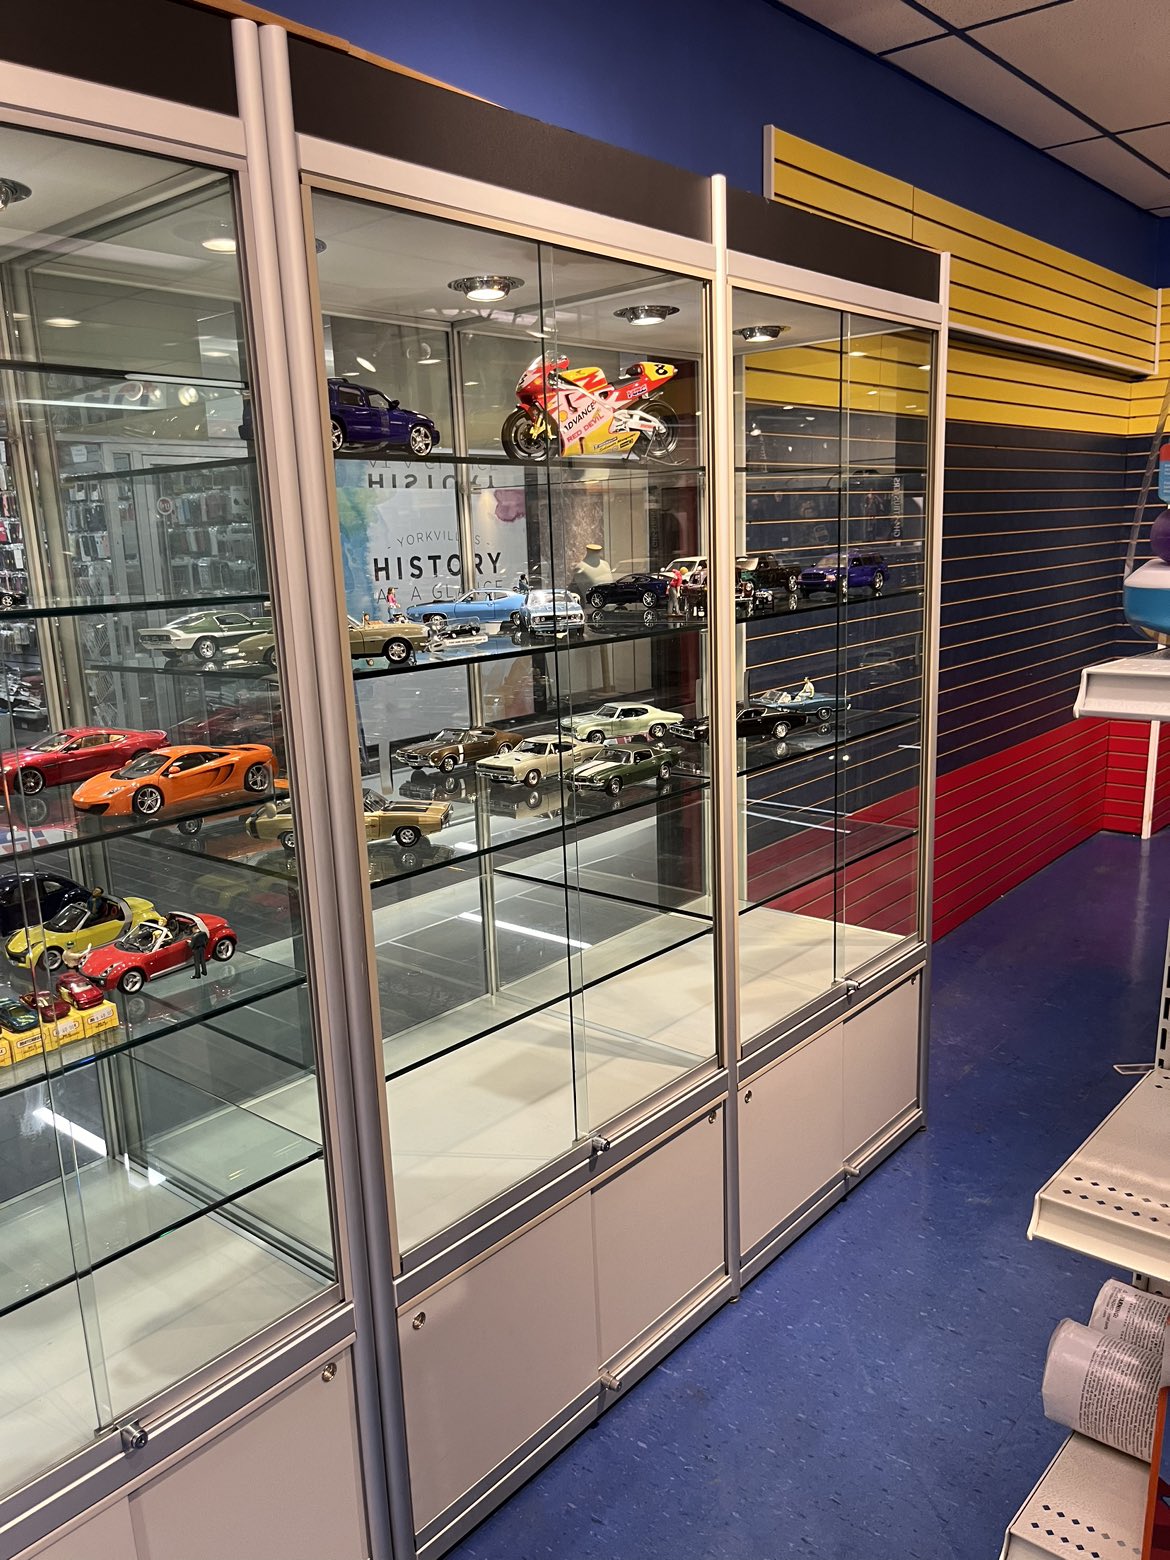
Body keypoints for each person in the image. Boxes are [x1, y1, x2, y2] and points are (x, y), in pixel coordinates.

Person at [189, 915, 210, 980]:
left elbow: (191, 945)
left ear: (194, 929)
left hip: (196, 950)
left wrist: (188, 943)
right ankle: (204, 972)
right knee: (203, 961)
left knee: (197, 963)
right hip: (202, 948)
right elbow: (206, 940)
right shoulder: (203, 933)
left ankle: (197, 975)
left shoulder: (194, 936)